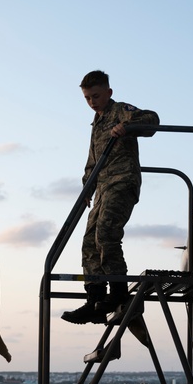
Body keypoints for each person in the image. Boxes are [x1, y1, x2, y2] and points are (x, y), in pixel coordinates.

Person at [62, 70, 159, 325]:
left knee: (106, 233)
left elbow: (152, 120)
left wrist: (127, 127)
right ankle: (95, 300)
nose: (92, 102)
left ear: (108, 93)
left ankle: (118, 294)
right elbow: (92, 162)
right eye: (87, 98)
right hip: (102, 188)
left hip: (122, 182)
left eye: (95, 96)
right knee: (89, 242)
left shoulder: (120, 111)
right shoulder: (97, 123)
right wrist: (86, 189)